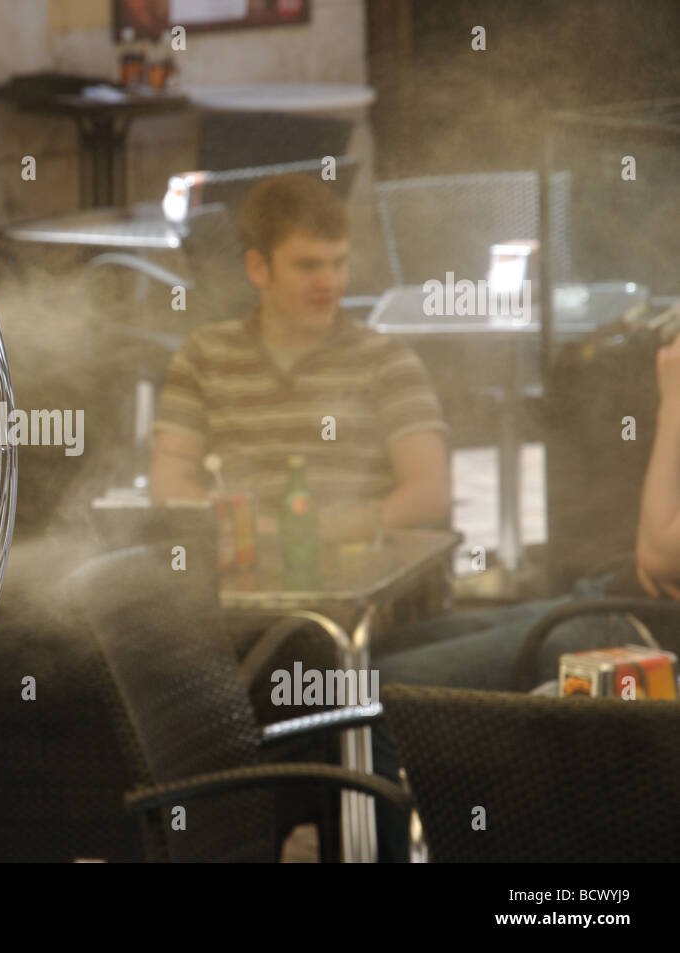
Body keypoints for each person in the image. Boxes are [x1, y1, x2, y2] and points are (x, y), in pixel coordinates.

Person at [369, 332, 680, 859]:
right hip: (610, 596)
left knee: (381, 694)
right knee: (377, 652)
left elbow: (661, 553)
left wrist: (674, 398)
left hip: (644, 634)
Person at [150, 173, 451, 541]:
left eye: (338, 263)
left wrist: (315, 536)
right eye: (308, 266)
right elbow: (168, 487)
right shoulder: (203, 355)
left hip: (357, 574)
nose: (329, 282)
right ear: (258, 268)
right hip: (239, 570)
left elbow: (429, 493)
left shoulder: (387, 359)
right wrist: (259, 534)